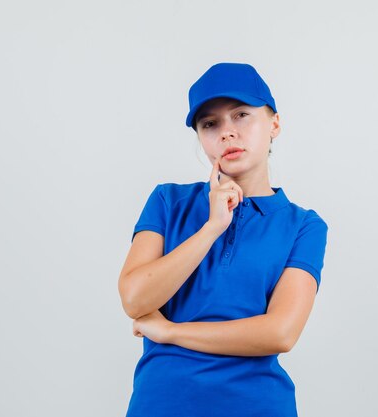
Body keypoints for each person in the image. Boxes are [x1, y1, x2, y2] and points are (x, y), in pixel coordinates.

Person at [118, 62, 329, 417]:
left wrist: (170, 332)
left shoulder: (303, 225)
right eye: (210, 124)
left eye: (242, 115)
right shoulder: (168, 201)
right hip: (162, 404)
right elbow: (135, 298)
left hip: (258, 406)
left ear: (274, 123)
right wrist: (212, 227)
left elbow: (280, 333)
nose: (227, 133)